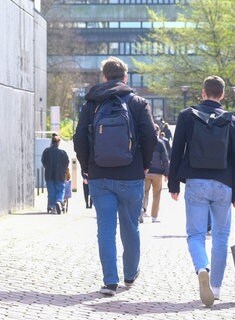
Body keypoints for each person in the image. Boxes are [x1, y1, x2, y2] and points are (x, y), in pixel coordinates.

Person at [73, 56, 157, 296]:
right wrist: (145, 164)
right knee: (130, 227)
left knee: (106, 229)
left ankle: (110, 281)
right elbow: (151, 135)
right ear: (125, 77)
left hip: (99, 175)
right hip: (131, 175)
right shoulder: (138, 102)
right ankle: (130, 275)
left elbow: (79, 138)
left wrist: (87, 166)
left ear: (104, 77)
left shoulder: (92, 103)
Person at [168, 75, 235, 306]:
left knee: (196, 234)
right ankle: (216, 287)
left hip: (196, 182)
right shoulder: (233, 121)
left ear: (202, 93)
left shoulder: (187, 116)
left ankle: (202, 267)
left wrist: (173, 185)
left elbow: (177, 151)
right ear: (222, 95)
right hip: (224, 184)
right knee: (221, 237)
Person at [141, 124, 169, 223]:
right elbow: (165, 159)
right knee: (156, 195)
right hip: (157, 173)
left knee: (143, 193)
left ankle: (141, 212)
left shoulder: (144, 141)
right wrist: (166, 173)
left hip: (145, 172)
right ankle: (154, 217)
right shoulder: (160, 143)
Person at [41, 133, 69, 214]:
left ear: (51, 142)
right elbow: (66, 163)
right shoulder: (63, 153)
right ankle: (59, 201)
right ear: (59, 142)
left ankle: (53, 206)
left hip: (49, 174)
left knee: (51, 191)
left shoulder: (46, 151)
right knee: (61, 189)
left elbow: (44, 162)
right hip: (60, 175)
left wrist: (48, 167)